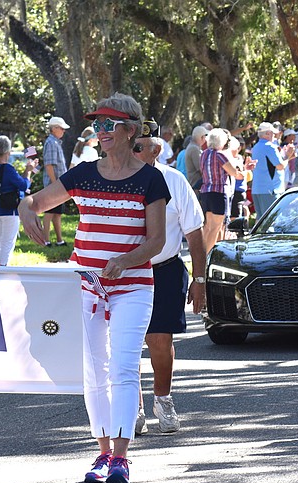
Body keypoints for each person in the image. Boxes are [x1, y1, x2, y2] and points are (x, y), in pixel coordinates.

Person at [19, 93, 170, 483]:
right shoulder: (84, 173)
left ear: (129, 130)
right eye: (97, 126)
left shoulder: (150, 179)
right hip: (86, 285)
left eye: (107, 125)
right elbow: (35, 202)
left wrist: (124, 260)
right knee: (93, 369)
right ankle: (102, 451)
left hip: (132, 286)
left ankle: (121, 457)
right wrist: (23, 210)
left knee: (121, 366)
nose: (99, 132)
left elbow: (156, 241)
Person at [132, 120, 206, 434]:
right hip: (125, 273)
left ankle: (162, 399)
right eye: (130, 146)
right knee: (127, 344)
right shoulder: (115, 180)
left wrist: (200, 280)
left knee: (160, 341)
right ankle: (131, 408)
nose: (132, 152)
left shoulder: (173, 180)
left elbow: (195, 231)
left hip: (165, 271)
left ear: (156, 150)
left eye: (138, 147)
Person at [199, 128, 249, 253]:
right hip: (219, 193)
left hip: (206, 191)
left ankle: (200, 254)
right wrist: (246, 172)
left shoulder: (204, 153)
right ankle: (208, 256)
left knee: (208, 226)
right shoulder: (220, 155)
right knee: (216, 228)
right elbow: (234, 173)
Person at [0, 135, 33, 266]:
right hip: (10, 210)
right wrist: (28, 172)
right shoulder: (7, 168)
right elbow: (24, 185)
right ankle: (2, 268)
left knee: (0, 241)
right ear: (7, 150)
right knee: (8, 242)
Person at [251, 122, 295, 217]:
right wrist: (288, 155)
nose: (274, 136)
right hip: (270, 190)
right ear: (267, 133)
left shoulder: (255, 147)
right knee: (271, 221)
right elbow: (280, 166)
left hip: (257, 189)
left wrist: (285, 156)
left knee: (261, 221)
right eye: (272, 133)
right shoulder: (269, 146)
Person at [42, 116, 69, 246]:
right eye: (62, 128)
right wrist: (55, 184)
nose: (63, 131)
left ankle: (59, 240)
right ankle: (45, 240)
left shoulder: (55, 142)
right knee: (49, 212)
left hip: (57, 184)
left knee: (57, 213)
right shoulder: (51, 143)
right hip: (54, 184)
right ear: (54, 129)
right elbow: (49, 165)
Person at [184, 126, 208, 191]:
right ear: (202, 137)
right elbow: (201, 168)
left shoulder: (193, 147)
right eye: (205, 136)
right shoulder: (194, 149)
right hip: (196, 186)